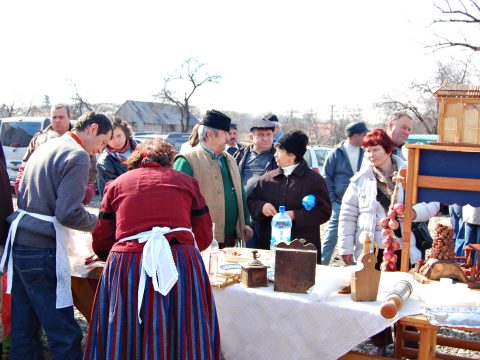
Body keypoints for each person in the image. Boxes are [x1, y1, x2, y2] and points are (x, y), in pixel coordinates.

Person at [85, 139, 220, 359]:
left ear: (136, 160)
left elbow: (102, 238)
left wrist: (111, 257)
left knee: (126, 326)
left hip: (128, 264)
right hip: (180, 262)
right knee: (184, 324)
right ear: (168, 160)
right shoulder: (186, 182)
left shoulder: (116, 184)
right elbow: (204, 235)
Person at [2, 111, 112, 359]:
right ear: (92, 128)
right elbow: (68, 213)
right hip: (42, 249)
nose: (100, 150)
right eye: (103, 142)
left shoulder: (47, 147)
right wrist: (101, 224)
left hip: (21, 242)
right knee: (63, 331)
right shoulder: (77, 155)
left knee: (24, 329)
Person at [337, 128, 439, 355]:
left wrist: (413, 212)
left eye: (375, 149)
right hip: (371, 247)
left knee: (407, 294)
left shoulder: (410, 173)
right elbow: (348, 214)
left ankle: (410, 343)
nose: (371, 155)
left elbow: (433, 203)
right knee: (372, 296)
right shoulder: (360, 179)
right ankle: (380, 343)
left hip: (403, 246)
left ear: (388, 149)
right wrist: (344, 247)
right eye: (367, 150)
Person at [247, 130, 332, 263]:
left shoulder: (314, 180)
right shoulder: (267, 179)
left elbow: (324, 212)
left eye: (279, 151)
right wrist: (262, 206)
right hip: (270, 248)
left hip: (303, 249)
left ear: (292, 156)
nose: (275, 155)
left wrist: (294, 215)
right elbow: (252, 201)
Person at [174, 109, 253, 248]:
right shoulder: (187, 160)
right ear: (210, 134)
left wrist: (246, 222)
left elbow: (240, 192)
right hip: (201, 240)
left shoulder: (230, 160)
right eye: (225, 134)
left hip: (231, 238)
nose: (229, 138)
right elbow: (176, 203)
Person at [14, 104, 97, 204]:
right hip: (40, 199)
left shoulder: (82, 140)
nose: (57, 120)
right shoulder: (39, 139)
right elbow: (24, 167)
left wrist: (84, 194)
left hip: (69, 200)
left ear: (69, 117)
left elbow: (91, 175)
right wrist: (20, 189)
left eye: (61, 117)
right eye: (54, 117)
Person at [321, 121, 369, 265]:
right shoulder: (336, 153)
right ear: (355, 136)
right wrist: (333, 200)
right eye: (364, 135)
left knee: (359, 235)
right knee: (332, 235)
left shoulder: (365, 153)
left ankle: (355, 268)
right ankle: (321, 265)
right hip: (339, 202)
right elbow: (326, 177)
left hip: (360, 202)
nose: (366, 137)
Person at [96, 116, 137, 197]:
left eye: (119, 136)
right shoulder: (104, 163)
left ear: (125, 133)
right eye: (111, 138)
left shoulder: (141, 150)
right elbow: (109, 193)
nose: (116, 141)